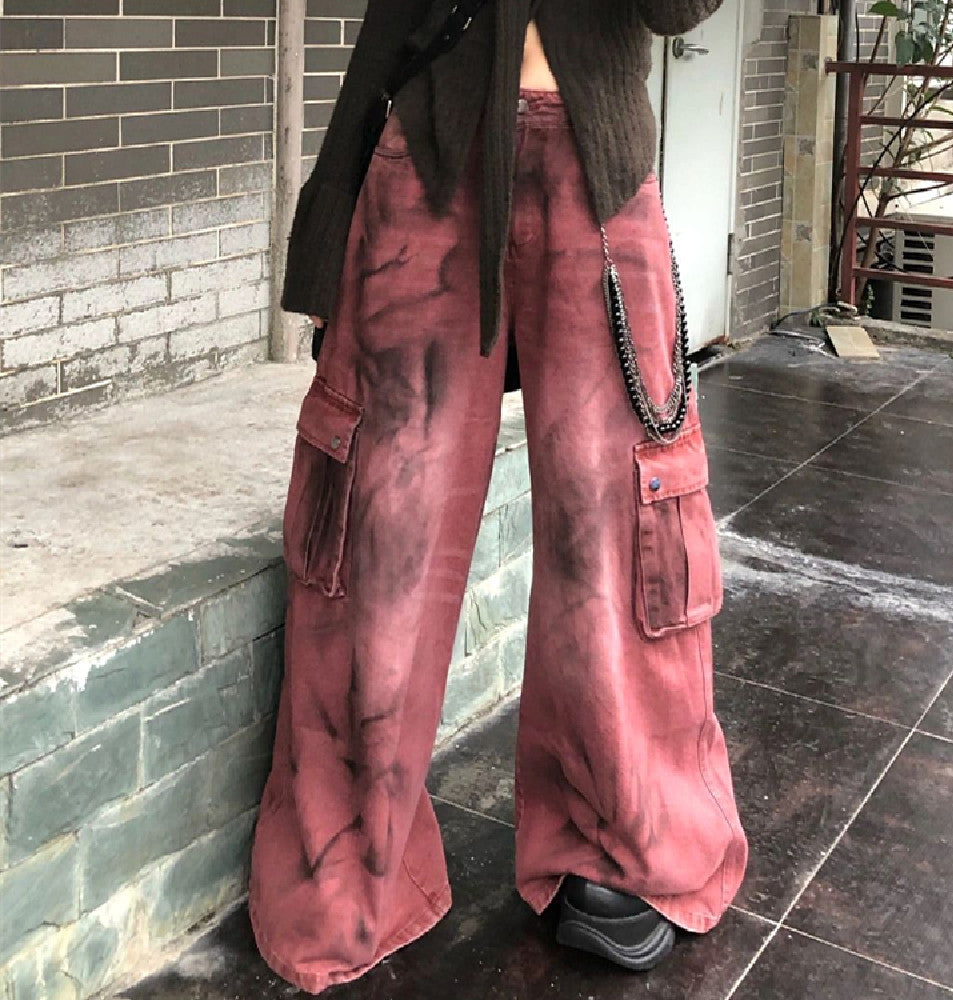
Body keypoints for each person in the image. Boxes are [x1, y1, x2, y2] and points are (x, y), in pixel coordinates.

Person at [249, 0, 749, 992]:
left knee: (620, 521)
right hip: (425, 158)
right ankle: (346, 859)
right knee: (380, 524)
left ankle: (618, 838)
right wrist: (327, 235)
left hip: (597, 162)